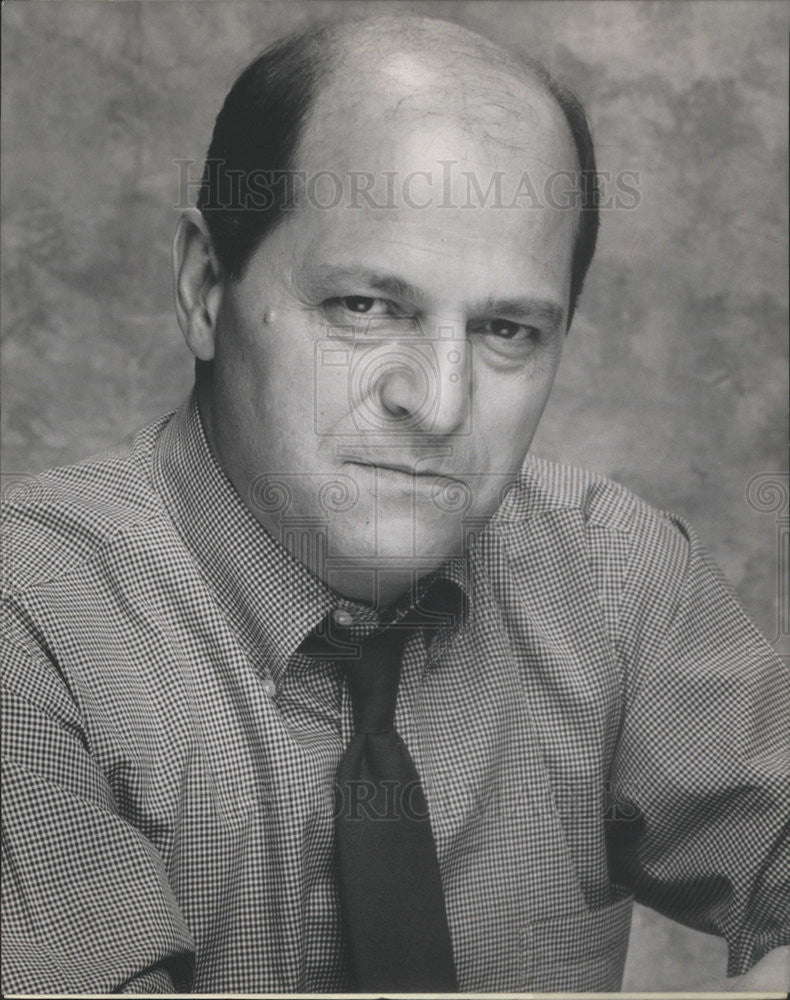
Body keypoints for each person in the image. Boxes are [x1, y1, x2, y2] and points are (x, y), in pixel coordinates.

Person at [2, 13, 788, 995]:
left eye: (506, 329)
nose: (439, 402)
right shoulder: (28, 626)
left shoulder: (615, 576)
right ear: (207, 287)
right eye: (365, 308)